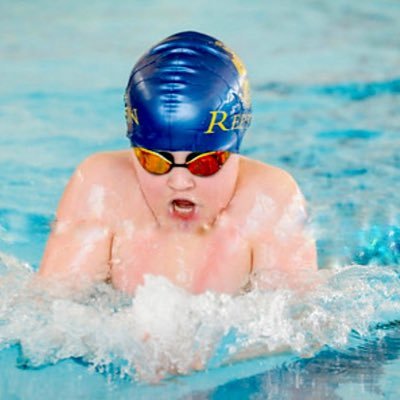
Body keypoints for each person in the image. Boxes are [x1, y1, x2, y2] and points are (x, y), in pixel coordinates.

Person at [39, 31, 317, 295]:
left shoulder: (272, 201)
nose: (180, 181)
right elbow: (47, 313)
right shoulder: (101, 186)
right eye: (155, 161)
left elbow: (300, 328)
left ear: (234, 151)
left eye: (205, 163)